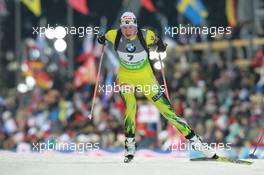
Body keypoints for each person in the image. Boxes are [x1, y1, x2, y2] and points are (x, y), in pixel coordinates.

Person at [97, 12, 217, 163]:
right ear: (121, 28)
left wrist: (161, 47)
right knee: (130, 106)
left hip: (146, 78)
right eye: (125, 27)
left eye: (131, 27)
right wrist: (100, 39)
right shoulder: (114, 35)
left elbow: (159, 42)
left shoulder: (146, 35)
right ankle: (129, 146)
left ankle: (197, 142)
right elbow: (104, 36)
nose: (128, 31)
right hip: (126, 77)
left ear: (136, 27)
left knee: (167, 111)